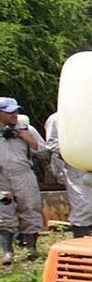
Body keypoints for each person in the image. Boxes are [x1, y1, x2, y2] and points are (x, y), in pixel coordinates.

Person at [44, 111, 92, 237]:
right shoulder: (57, 119)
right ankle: (81, 241)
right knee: (83, 205)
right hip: (76, 167)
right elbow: (52, 144)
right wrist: (77, 152)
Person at [0, 97, 46, 264]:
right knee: (4, 212)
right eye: (9, 112)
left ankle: (31, 249)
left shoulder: (26, 128)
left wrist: (27, 138)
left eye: (16, 111)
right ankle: (7, 253)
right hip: (2, 179)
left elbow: (44, 152)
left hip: (23, 174)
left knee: (30, 208)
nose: (14, 114)